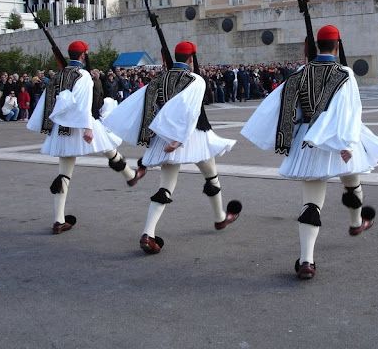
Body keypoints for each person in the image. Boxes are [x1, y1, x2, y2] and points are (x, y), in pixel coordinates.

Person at [241, 25, 378, 280]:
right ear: (337, 46)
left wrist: (284, 140)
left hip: (308, 140)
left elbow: (284, 107)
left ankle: (306, 260)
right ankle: (356, 223)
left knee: (312, 202)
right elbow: (350, 111)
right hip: (337, 138)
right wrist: (347, 144)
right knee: (352, 180)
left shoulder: (301, 72)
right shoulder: (344, 73)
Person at [103, 41, 241, 255]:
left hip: (164, 138)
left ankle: (148, 232)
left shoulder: (157, 79)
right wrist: (179, 139)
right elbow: (191, 111)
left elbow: (147, 108)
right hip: (193, 136)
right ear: (192, 59)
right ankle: (219, 218)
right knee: (211, 177)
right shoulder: (195, 80)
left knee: (165, 187)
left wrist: (150, 137)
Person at [26, 40, 147, 234]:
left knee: (65, 172)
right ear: (84, 55)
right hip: (81, 123)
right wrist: (86, 127)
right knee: (108, 148)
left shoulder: (59, 74)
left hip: (62, 127)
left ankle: (59, 220)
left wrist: (48, 126)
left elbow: (48, 101)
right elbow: (83, 103)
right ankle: (130, 176)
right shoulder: (82, 75)